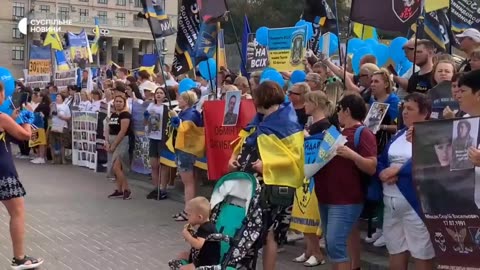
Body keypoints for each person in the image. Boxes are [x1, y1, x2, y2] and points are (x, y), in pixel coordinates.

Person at [228, 81, 304, 270]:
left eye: (255, 97)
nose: (253, 100)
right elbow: (243, 141)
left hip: (273, 188)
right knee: (245, 230)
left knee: (270, 234)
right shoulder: (259, 119)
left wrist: (268, 165)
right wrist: (233, 157)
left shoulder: (288, 124)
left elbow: (296, 159)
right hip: (248, 184)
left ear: (263, 99)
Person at [314, 94, 377, 270]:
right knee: (333, 245)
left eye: (339, 110)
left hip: (346, 199)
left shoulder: (363, 133)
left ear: (347, 111)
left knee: (335, 244)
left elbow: (371, 166)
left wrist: (352, 155)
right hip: (327, 196)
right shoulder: (336, 133)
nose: (337, 114)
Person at [378, 93, 435, 270]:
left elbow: (432, 160)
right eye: (404, 108)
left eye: (410, 109)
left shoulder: (431, 135)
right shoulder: (399, 134)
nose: (404, 112)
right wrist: (381, 173)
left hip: (415, 204)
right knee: (395, 250)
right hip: (391, 202)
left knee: (421, 253)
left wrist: (399, 171)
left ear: (424, 113)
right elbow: (382, 160)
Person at [0, 83, 44, 269]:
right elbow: (26, 135)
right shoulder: (1, 117)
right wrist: (27, 117)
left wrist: (12, 119)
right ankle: (19, 258)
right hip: (2, 170)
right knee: (17, 212)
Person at [290, 91, 332, 267]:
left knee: (311, 215)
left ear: (315, 103)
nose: (304, 105)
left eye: (307, 102)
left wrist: (307, 137)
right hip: (305, 173)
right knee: (302, 212)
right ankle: (308, 250)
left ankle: (317, 252)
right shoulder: (312, 123)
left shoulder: (325, 125)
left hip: (316, 175)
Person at [169, 91, 204, 221]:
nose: (178, 100)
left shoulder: (191, 114)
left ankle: (188, 211)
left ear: (187, 100)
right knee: (188, 182)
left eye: (181, 98)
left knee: (188, 182)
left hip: (186, 150)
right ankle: (188, 209)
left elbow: (184, 129)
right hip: (182, 149)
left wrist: (177, 120)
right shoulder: (185, 112)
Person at [168, 197, 220, 270]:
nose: (187, 217)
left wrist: (188, 236)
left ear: (199, 217)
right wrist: (191, 233)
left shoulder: (206, 228)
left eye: (189, 215)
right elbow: (199, 240)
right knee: (182, 255)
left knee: (183, 268)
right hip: (200, 257)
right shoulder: (204, 226)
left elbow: (198, 245)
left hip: (206, 262)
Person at [144, 87, 170, 200]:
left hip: (163, 139)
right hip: (152, 137)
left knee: (163, 164)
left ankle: (163, 188)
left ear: (165, 95)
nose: (158, 95)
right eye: (157, 93)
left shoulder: (167, 107)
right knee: (154, 165)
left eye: (161, 93)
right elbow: (146, 121)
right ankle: (156, 188)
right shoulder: (151, 106)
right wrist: (146, 119)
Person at [106, 96, 133, 200]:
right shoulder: (113, 114)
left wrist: (114, 145)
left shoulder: (125, 115)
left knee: (116, 167)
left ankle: (127, 189)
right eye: (116, 101)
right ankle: (119, 190)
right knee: (117, 168)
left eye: (120, 101)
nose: (118, 103)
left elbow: (123, 131)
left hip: (122, 142)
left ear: (124, 103)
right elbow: (108, 128)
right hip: (113, 140)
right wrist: (107, 142)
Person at [49, 93, 71, 164]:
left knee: (62, 143)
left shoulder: (65, 106)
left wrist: (63, 117)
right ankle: (53, 159)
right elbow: (50, 115)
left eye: (58, 96)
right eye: (56, 96)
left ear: (62, 98)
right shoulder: (53, 105)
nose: (57, 98)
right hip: (53, 125)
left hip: (62, 126)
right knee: (52, 143)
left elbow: (69, 117)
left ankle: (63, 159)